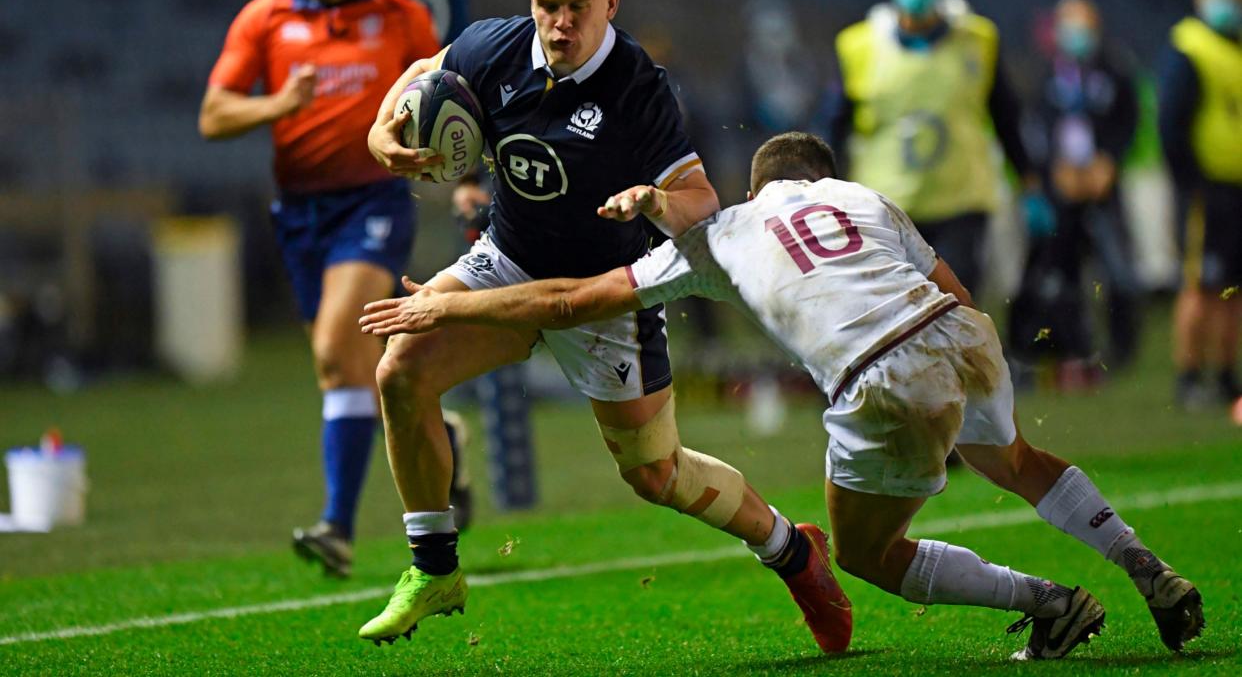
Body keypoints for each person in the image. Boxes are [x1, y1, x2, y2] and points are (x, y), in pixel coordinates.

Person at [363, 131, 1205, 660]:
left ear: (760, 185)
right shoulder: (866, 200)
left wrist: (448, 303)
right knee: (1018, 460)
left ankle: (1050, 603)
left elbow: (567, 303)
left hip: (880, 375)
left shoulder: (721, 235)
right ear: (821, 178)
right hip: (956, 331)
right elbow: (954, 288)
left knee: (870, 556)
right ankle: (1140, 561)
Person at [355, 0, 852, 651]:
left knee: (657, 475)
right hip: (512, 262)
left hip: (607, 292)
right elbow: (424, 69)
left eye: (577, 8)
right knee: (401, 368)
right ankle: (434, 568)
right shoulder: (493, 48)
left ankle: (792, 550)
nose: (560, 23)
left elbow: (703, 201)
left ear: (610, 2)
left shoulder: (637, 87)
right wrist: (379, 131)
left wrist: (654, 201)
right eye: (547, 4)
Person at [198, 0, 455, 577]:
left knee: (336, 350)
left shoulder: (401, 15)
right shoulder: (265, 18)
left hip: (373, 202)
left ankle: (337, 527)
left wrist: (456, 169)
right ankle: (438, 432)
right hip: (299, 215)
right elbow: (214, 114)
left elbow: (449, 94)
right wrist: (277, 105)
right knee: (347, 363)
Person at [826, 0, 1048, 297]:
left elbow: (1004, 115)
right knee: (896, 312)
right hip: (886, 207)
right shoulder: (857, 47)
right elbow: (833, 124)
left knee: (955, 305)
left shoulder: (978, 40)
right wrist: (821, 186)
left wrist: (1028, 181)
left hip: (960, 201)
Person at [1009, 0, 1141, 387]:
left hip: (1103, 186)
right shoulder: (1048, 75)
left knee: (1118, 272)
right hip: (1060, 190)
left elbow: (1129, 121)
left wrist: (1110, 163)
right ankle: (1067, 349)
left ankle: (1122, 352)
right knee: (1057, 273)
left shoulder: (1115, 71)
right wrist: (1053, 171)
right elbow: (1037, 127)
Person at [1159, 0, 1242, 409]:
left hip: (1237, 188)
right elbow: (1172, 122)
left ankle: (1228, 375)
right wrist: (1188, 183)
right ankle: (1190, 375)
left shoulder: (1235, 48)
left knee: (1233, 287)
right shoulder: (1189, 46)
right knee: (1201, 284)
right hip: (1206, 190)